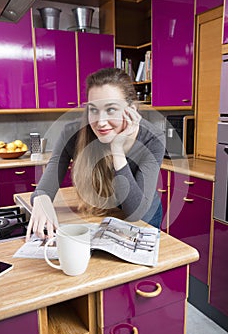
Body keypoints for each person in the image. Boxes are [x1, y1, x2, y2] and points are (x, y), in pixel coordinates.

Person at [26, 67, 165, 241]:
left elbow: (136, 212)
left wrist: (117, 151)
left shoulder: (153, 138)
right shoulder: (72, 133)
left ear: (131, 109)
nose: (100, 122)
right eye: (93, 110)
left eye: (111, 109)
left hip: (143, 215)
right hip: (101, 212)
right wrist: (41, 198)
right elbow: (46, 186)